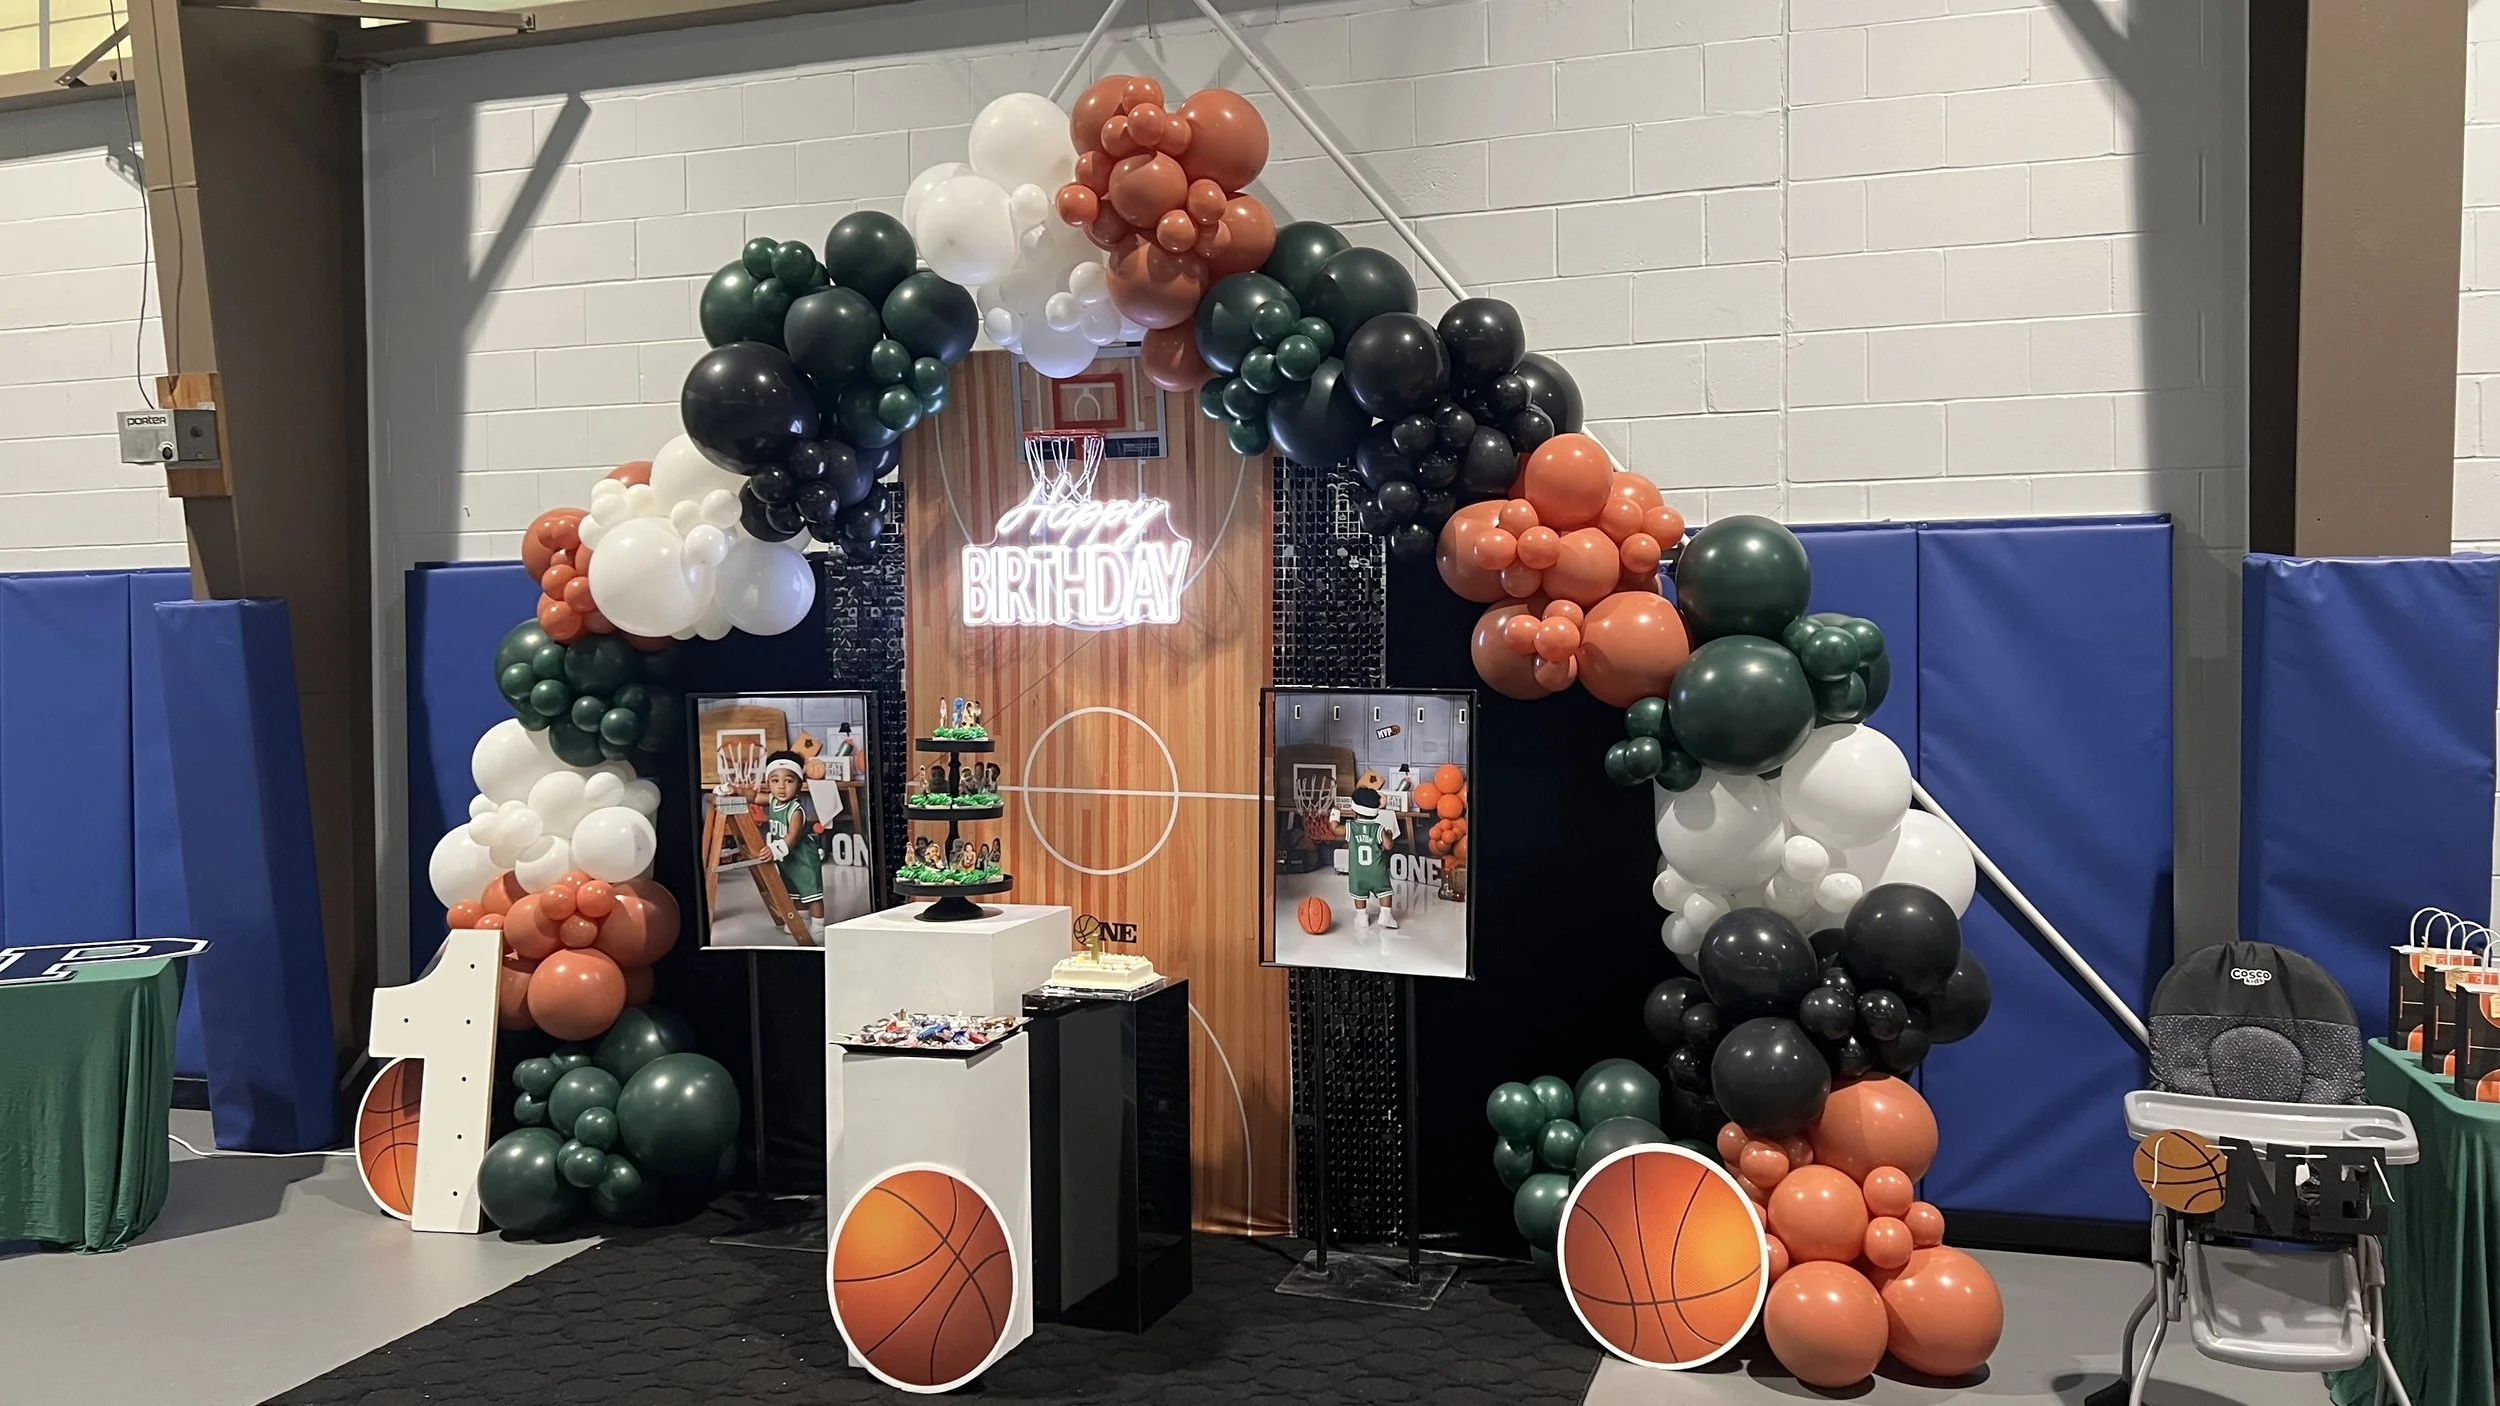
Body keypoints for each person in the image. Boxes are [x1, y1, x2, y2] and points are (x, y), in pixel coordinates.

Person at [758, 752, 825, 939]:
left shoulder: (795, 810)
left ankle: (819, 925)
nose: (781, 786)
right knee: (794, 890)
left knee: (811, 892)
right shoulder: (772, 800)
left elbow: (792, 836)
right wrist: (735, 790)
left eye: (788, 781)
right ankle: (801, 920)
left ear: (799, 785)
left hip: (803, 857)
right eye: (775, 780)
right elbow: (754, 796)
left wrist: (773, 849)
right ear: (768, 783)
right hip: (787, 859)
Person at [1330, 785, 1401, 930]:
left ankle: (1362, 917)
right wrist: (1389, 835)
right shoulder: (1378, 828)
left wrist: (1334, 814)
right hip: (1377, 871)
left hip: (1358, 872)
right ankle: (1385, 915)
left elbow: (1335, 829)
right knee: (1385, 891)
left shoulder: (1351, 826)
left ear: (1354, 811)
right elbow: (1388, 846)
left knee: (1359, 894)